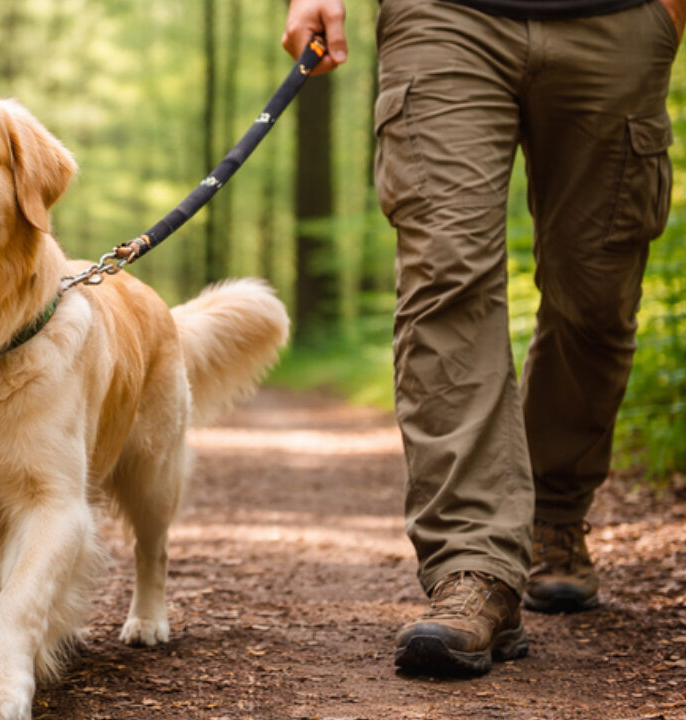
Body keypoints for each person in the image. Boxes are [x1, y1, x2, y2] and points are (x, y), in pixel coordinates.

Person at [282, 0, 683, 675]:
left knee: (596, 299)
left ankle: (554, 514)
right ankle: (473, 568)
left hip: (621, 17)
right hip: (445, 18)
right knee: (447, 277)